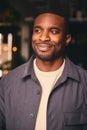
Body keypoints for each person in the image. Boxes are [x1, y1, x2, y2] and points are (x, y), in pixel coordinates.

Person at [0, 8, 87, 130]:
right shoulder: (6, 82)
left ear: (67, 39)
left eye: (54, 31)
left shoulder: (84, 83)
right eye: (38, 30)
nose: (44, 37)